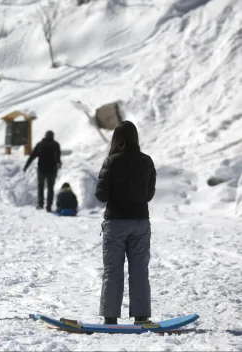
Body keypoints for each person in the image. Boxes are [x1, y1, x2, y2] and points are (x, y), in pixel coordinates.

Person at [94, 120, 156, 325]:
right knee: (140, 270)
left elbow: (101, 195)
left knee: (112, 270)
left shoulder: (111, 161)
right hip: (140, 221)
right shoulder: (147, 161)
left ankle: (110, 318)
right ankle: (141, 316)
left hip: (116, 223)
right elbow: (149, 194)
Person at [23, 130, 62, 212]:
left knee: (41, 186)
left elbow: (32, 156)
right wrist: (59, 164)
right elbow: (58, 157)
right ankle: (49, 206)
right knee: (50, 188)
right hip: (52, 170)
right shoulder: (56, 145)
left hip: (42, 169)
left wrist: (26, 166)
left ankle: (40, 204)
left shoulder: (40, 144)